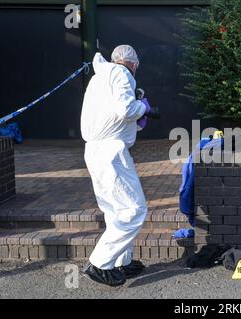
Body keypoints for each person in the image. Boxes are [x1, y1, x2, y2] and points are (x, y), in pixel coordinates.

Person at [80, 45, 151, 286]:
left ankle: (120, 261)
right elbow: (125, 110)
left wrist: (136, 120)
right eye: (136, 67)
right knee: (134, 209)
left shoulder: (99, 77)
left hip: (94, 150)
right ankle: (100, 262)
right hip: (111, 152)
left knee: (114, 210)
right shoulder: (122, 74)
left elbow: (111, 115)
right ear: (132, 63)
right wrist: (143, 107)